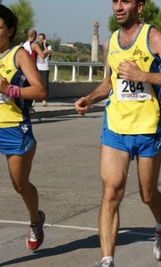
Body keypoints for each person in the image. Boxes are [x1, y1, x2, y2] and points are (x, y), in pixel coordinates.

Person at [74, 1, 161, 266]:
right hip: (115, 127)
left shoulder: (153, 37)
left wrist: (143, 75)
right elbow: (110, 82)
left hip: (148, 128)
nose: (118, 6)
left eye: (125, 1)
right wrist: (90, 98)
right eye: (115, 1)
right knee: (111, 191)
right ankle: (107, 260)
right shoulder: (110, 42)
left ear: (139, 6)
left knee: (147, 194)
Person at [0, 4, 47, 251]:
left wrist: (8, 89)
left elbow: (40, 90)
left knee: (19, 184)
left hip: (14, 126)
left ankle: (35, 220)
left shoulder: (17, 55)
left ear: (10, 30)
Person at [36, 33, 52, 107]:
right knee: (35, 84)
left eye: (42, 38)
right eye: (39, 38)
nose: (40, 40)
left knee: (45, 85)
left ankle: (44, 100)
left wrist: (45, 45)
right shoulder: (36, 46)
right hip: (37, 67)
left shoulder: (49, 46)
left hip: (44, 68)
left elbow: (48, 53)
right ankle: (33, 99)